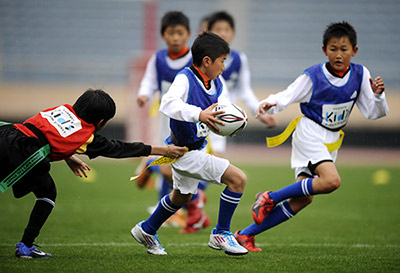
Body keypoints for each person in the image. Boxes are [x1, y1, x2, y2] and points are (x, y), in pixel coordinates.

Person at [234, 21, 389, 252]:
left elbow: (374, 113)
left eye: (344, 49)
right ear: (324, 50)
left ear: (354, 51)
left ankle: (244, 235)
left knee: (303, 198)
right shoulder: (314, 75)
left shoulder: (360, 74)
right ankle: (270, 197)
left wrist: (377, 96)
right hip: (309, 133)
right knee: (331, 181)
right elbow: (289, 94)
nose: (338, 54)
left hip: (330, 141)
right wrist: (270, 103)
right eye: (333, 48)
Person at [0, 89, 187, 258]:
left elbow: (48, 133)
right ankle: (25, 246)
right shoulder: (85, 135)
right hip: (24, 152)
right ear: (100, 122)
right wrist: (162, 150)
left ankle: (26, 245)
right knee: (47, 193)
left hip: (7, 134)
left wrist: (68, 156)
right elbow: (118, 148)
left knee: (46, 190)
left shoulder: (62, 110)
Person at [131, 32, 248, 256]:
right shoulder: (185, 78)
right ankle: (221, 233)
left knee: (181, 197)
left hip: (192, 149)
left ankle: (147, 229)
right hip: (184, 152)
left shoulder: (217, 82)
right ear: (206, 61)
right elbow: (167, 104)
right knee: (238, 180)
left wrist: (230, 125)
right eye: (222, 61)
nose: (224, 67)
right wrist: (199, 114)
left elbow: (223, 110)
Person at [135, 11, 210, 233]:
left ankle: (153, 169)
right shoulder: (157, 59)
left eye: (180, 33)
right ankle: (177, 208)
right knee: (169, 161)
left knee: (183, 163)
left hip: (192, 118)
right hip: (165, 118)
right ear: (163, 35)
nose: (175, 38)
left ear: (187, 34)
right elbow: (149, 81)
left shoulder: (194, 60)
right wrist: (143, 94)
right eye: (171, 33)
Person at [206, 11, 278, 157]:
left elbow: (244, 91)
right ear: (209, 32)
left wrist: (259, 111)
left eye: (226, 30)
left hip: (223, 118)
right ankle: (153, 166)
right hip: (202, 116)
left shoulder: (240, 59)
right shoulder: (201, 59)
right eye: (218, 29)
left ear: (233, 33)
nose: (223, 34)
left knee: (215, 161)